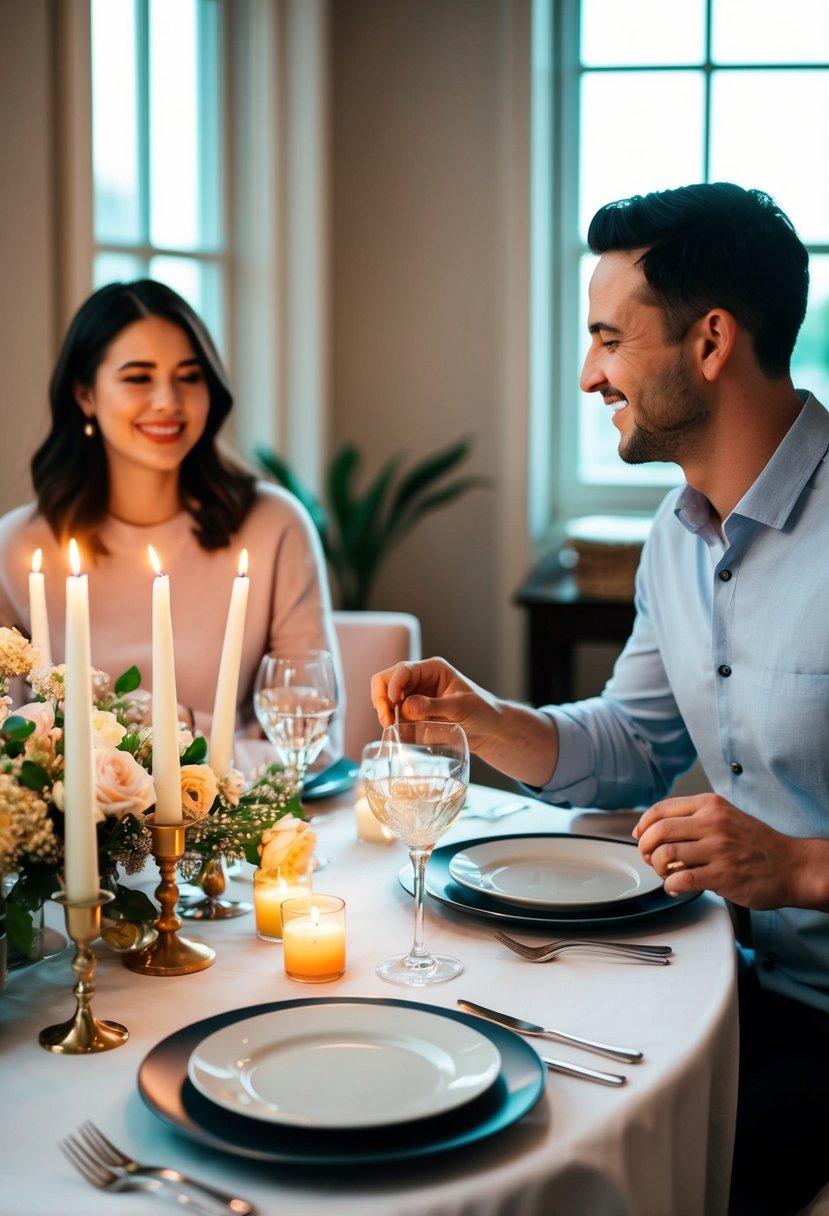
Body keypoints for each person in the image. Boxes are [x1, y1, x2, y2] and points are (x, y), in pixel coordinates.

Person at [371, 183, 829, 1215]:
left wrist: (795, 865)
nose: (589, 374)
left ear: (710, 340)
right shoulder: (675, 534)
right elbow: (627, 742)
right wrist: (482, 717)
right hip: (734, 981)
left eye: (608, 339)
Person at [0, 279, 342, 775]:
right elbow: (10, 746)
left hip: (236, 841)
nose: (169, 401)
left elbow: (313, 744)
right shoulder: (19, 548)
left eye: (190, 376)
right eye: (138, 378)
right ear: (85, 394)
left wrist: (150, 737)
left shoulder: (273, 527)